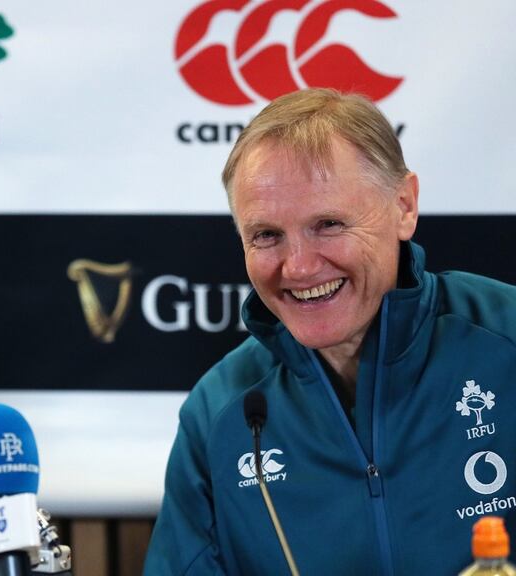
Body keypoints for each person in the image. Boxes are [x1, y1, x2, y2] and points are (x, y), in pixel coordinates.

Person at [145, 88, 516, 574]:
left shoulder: (504, 337)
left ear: (404, 206)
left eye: (328, 224)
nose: (297, 268)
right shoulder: (219, 412)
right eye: (267, 236)